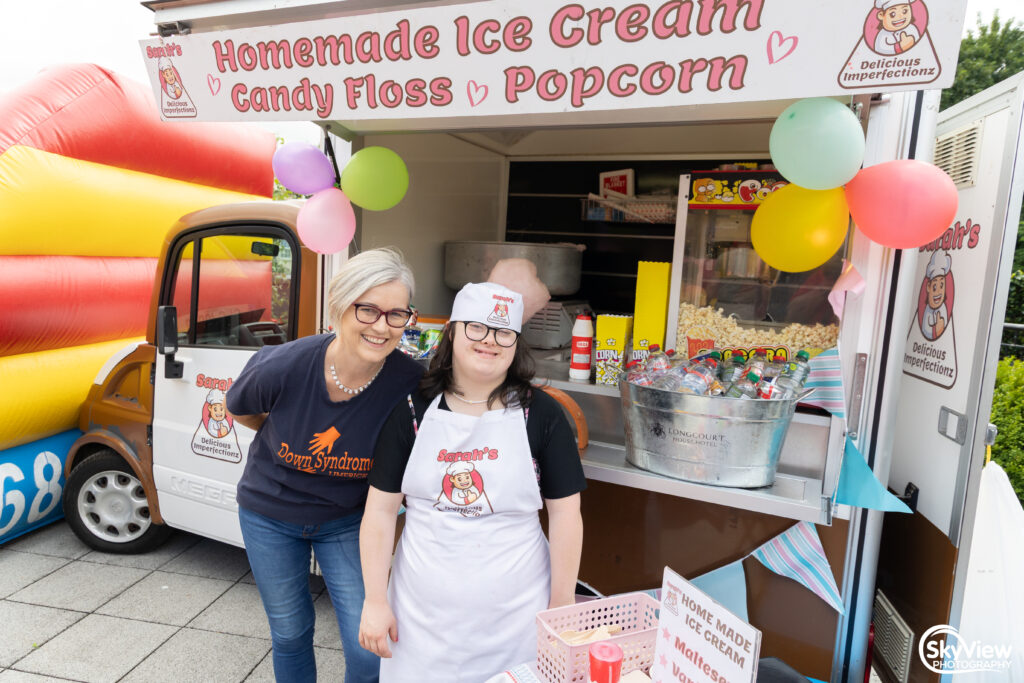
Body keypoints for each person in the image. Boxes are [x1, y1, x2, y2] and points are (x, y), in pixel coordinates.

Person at [358, 282, 586, 681]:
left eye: (503, 332)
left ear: (516, 343)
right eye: (476, 328)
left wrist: (561, 607)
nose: (490, 342)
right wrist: (375, 600)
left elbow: (566, 516)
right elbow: (379, 511)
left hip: (517, 616)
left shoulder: (541, 414)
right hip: (420, 620)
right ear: (452, 331)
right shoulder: (413, 410)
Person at [226, 248, 423, 683]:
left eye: (396, 314)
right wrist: (277, 439)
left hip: (347, 520)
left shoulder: (408, 381)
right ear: (339, 307)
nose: (381, 326)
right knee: (291, 631)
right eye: (367, 309)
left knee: (368, 646)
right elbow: (239, 409)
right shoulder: (284, 365)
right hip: (269, 514)